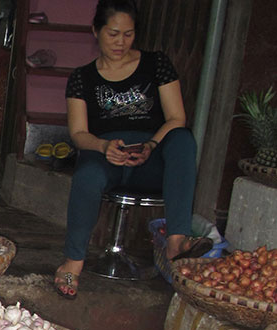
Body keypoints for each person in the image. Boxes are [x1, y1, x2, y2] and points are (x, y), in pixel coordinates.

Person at [53, 0, 211, 299]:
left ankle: (177, 240)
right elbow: (78, 133)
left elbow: (176, 117)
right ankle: (73, 263)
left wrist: (152, 144)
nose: (120, 42)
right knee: (87, 176)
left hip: (151, 160)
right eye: (113, 34)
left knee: (182, 138)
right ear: (95, 31)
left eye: (128, 34)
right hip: (106, 158)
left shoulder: (157, 64)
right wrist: (103, 146)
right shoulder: (81, 78)